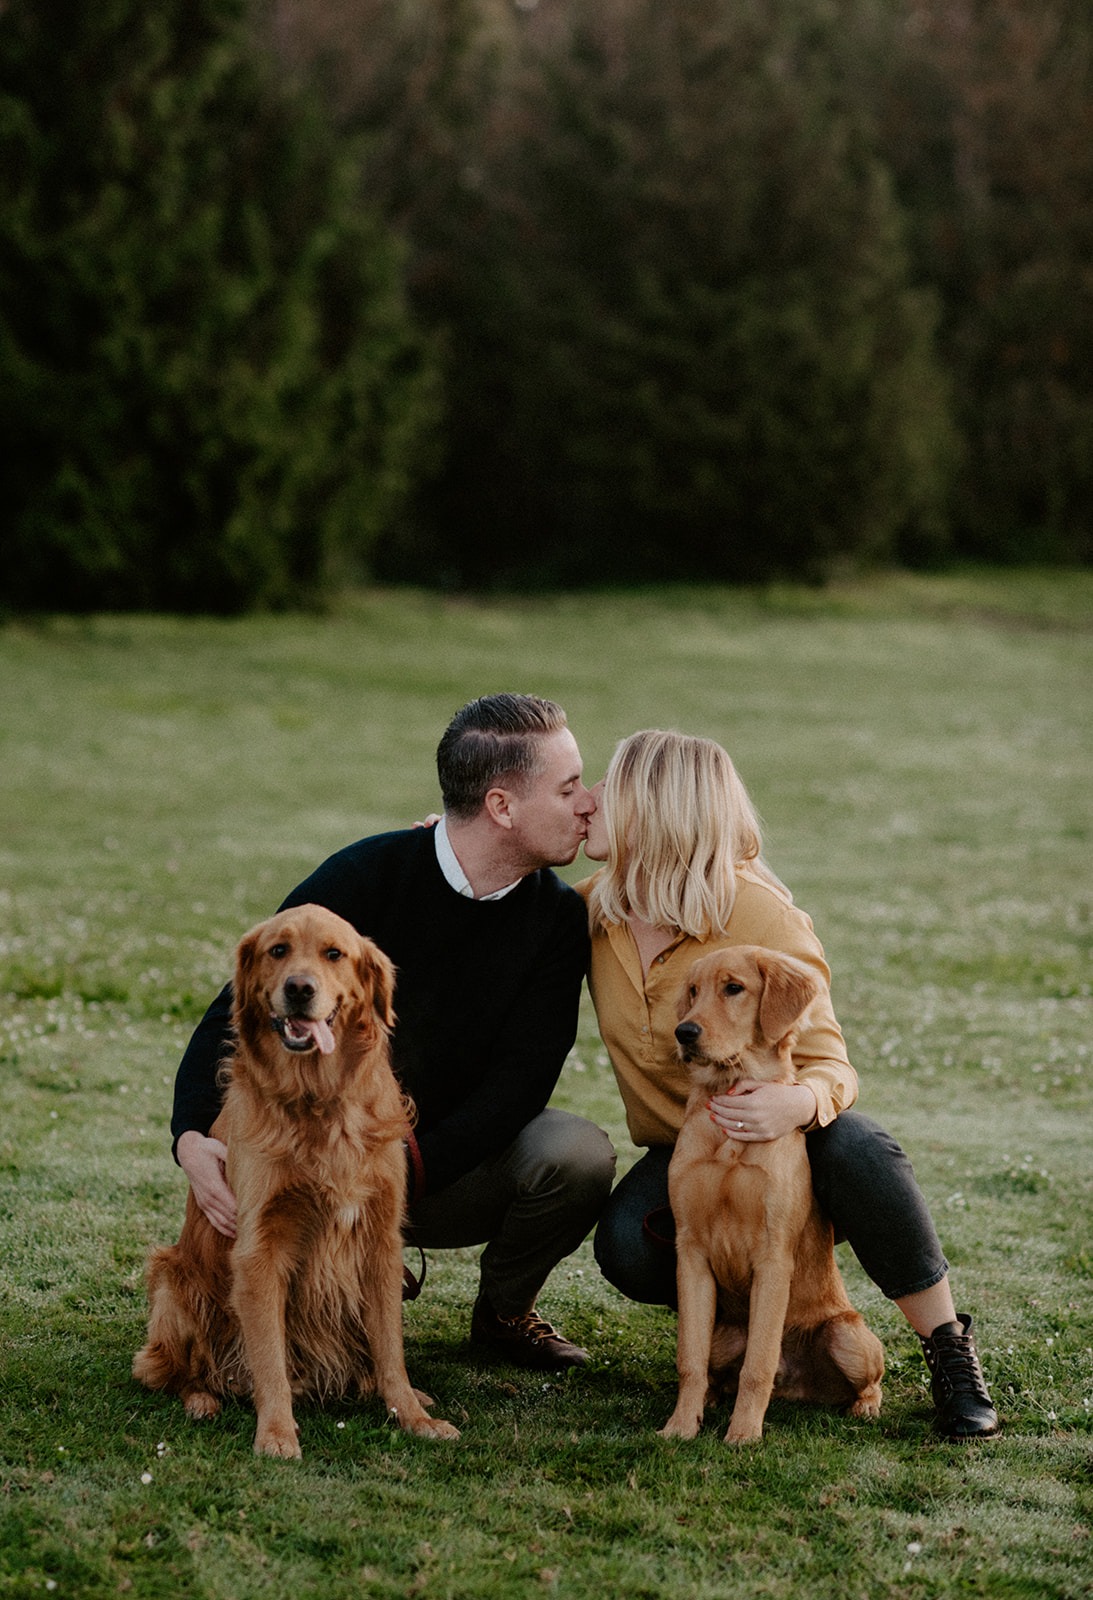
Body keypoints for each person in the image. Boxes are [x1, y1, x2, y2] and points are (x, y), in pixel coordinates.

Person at [171, 693, 616, 1371]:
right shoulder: (367, 873)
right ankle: (316, 1300)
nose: (586, 803)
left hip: (431, 1171)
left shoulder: (555, 921)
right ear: (501, 807)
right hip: (313, 1166)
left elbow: (518, 1085)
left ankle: (502, 1315)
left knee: (576, 1153)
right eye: (567, 787)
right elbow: (242, 1005)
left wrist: (391, 1172)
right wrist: (192, 1135)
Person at [577, 729, 1000, 1440]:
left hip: (786, 1135)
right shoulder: (595, 910)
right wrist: (443, 842)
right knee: (623, 1243)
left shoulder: (759, 914)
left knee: (858, 1148)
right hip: (686, 1144)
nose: (587, 800)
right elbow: (496, 901)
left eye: (604, 788)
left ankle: (949, 1350)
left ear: (652, 810)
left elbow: (833, 1066)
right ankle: (736, 1339)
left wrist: (793, 1104)